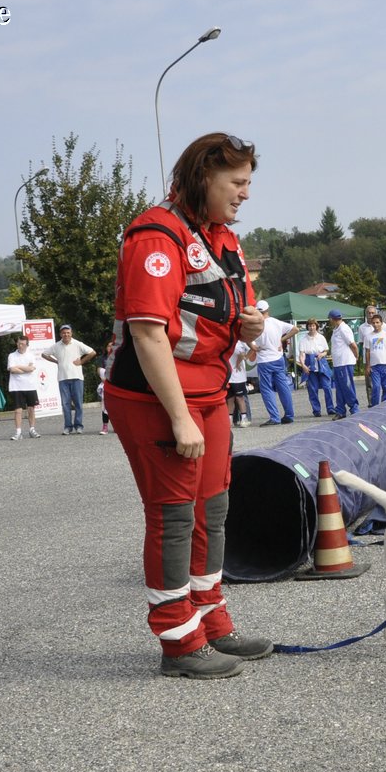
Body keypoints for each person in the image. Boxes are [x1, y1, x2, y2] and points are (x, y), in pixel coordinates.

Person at [103, 130, 273, 679]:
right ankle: (177, 639)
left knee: (213, 511)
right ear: (205, 176)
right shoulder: (156, 235)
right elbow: (150, 335)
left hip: (208, 389)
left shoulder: (221, 237)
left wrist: (250, 325)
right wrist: (180, 418)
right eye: (238, 182)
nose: (245, 193)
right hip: (156, 396)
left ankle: (211, 618)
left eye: (249, 183)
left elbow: (221, 312)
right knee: (175, 517)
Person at [42, 324, 96, 434]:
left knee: (78, 403)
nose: (66, 334)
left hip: (77, 377)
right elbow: (44, 354)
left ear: (71, 333)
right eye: (63, 333)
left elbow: (92, 352)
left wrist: (82, 361)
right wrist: (55, 361)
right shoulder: (56, 346)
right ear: (60, 334)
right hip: (63, 378)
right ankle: (68, 426)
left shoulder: (77, 344)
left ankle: (78, 425)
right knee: (65, 404)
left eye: (68, 332)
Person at [252, 299, 298, 426]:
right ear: (268, 310)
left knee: (267, 389)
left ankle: (274, 417)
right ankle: (289, 415)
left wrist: (253, 347)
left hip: (264, 360)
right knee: (283, 387)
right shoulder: (277, 322)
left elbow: (246, 338)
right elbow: (295, 329)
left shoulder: (257, 325)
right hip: (278, 358)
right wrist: (281, 339)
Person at [296, 318, 333, 417]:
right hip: (309, 362)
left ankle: (330, 408)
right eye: (310, 326)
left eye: (313, 325)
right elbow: (302, 354)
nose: (312, 327)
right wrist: (303, 365)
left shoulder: (321, 337)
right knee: (312, 389)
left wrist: (322, 354)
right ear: (307, 327)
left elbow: (326, 350)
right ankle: (316, 410)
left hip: (321, 361)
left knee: (327, 386)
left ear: (316, 326)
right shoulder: (303, 340)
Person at [6, 337, 41, 440]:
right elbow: (12, 369)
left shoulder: (31, 355)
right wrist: (25, 369)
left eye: (22, 344)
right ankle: (18, 432)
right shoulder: (11, 356)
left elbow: (31, 368)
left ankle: (32, 430)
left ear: (27, 345)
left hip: (30, 385)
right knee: (18, 410)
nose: (20, 345)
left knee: (31, 409)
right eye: (19, 343)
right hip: (16, 386)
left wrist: (19, 367)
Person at [328, 309, 361, 418]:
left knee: (347, 386)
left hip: (345, 362)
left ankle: (354, 408)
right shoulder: (336, 329)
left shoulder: (344, 329)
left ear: (333, 319)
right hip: (338, 363)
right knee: (340, 388)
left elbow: (353, 344)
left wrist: (356, 356)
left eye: (330, 319)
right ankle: (340, 410)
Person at [364, 310, 386, 406]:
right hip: (374, 366)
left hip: (385, 365)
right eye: (373, 323)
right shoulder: (368, 336)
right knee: (376, 387)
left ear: (381, 323)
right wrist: (368, 366)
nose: (375, 325)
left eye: (377, 322)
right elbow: (367, 352)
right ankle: (375, 406)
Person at [227, 340, 253, 427]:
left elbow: (251, 349)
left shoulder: (241, 341)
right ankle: (229, 419)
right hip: (228, 375)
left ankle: (244, 418)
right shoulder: (225, 339)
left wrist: (240, 361)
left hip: (238, 375)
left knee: (240, 398)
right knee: (229, 399)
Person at [98, 340, 116, 434]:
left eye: (112, 346)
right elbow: (99, 369)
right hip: (105, 383)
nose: (110, 348)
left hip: (116, 385)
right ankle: (105, 426)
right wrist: (103, 377)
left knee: (116, 407)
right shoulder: (103, 358)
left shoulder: (119, 357)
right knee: (105, 406)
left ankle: (116, 426)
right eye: (109, 346)